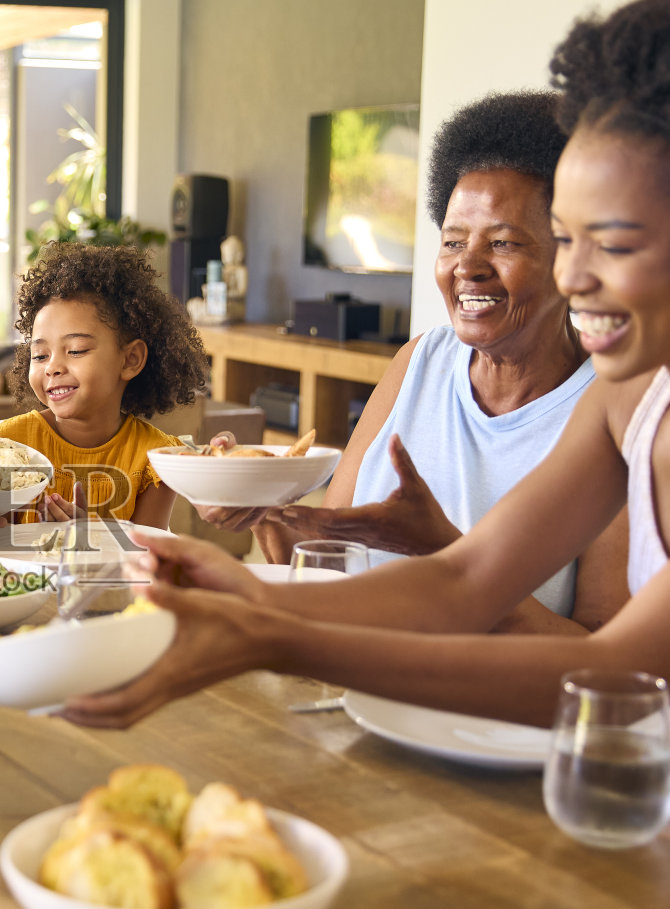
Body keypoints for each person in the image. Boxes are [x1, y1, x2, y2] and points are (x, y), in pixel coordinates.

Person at [64, 0, 670, 751]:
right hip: (669, 794)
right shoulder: (631, 401)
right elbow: (465, 580)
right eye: (568, 239)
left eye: (614, 243)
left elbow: (609, 675)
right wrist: (241, 594)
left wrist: (269, 636)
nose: (573, 277)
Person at [215, 91, 629, 634]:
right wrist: (259, 506)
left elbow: (599, 653)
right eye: (453, 242)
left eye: (503, 243)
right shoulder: (419, 361)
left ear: (572, 256)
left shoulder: (617, 410)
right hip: (357, 669)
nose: (468, 266)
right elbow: (325, 560)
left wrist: (442, 554)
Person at [0, 242, 209, 529]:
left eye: (76, 350)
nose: (52, 367)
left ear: (130, 359)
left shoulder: (156, 459)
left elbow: (150, 553)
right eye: (40, 355)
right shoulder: (5, 446)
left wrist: (93, 535)